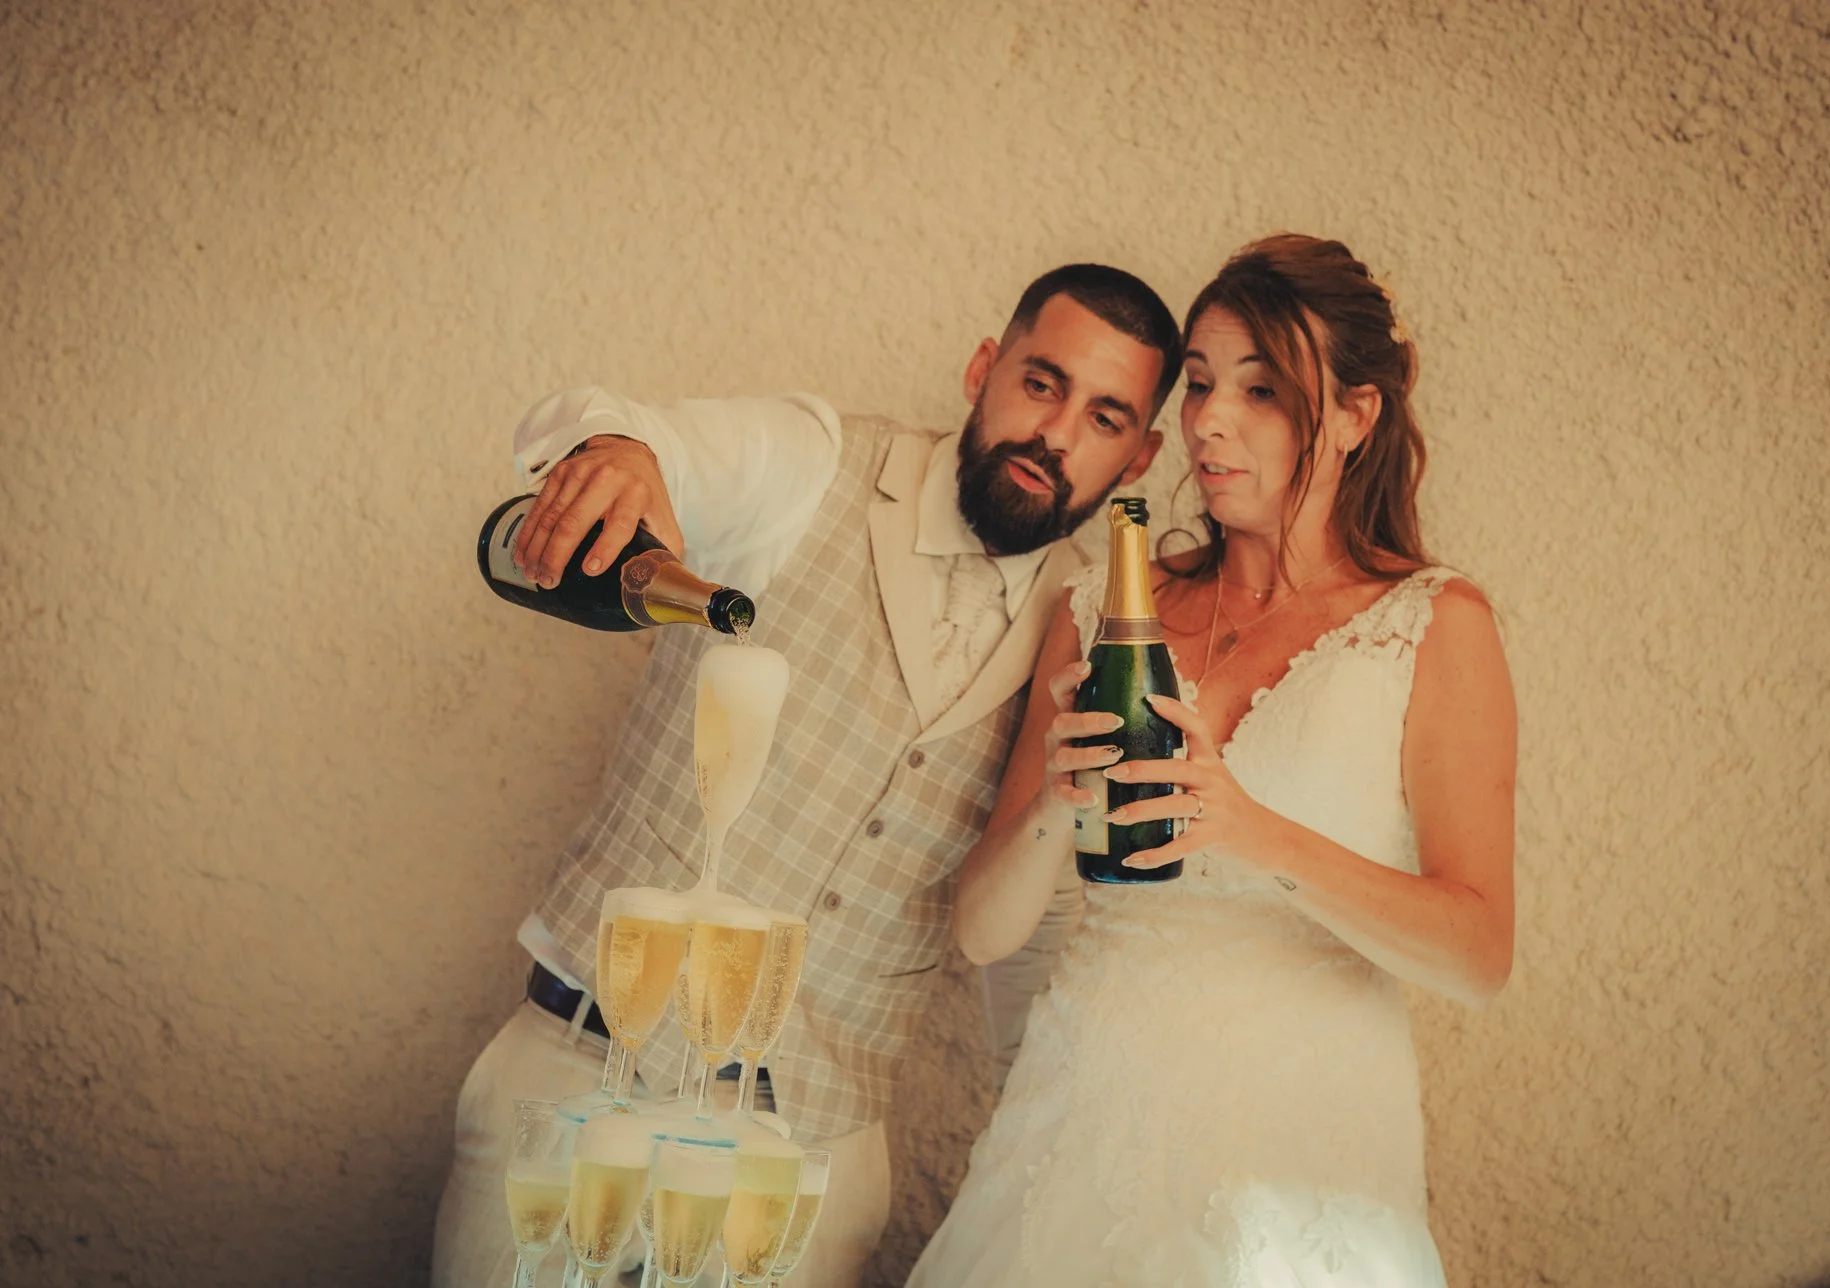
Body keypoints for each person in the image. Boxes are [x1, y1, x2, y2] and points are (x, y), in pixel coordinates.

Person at [431, 264, 1185, 1288]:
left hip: (806, 1171)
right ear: (983, 369)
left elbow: (1024, 923)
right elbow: (655, 440)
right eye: (1040, 383)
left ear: (1140, 456)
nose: (1055, 436)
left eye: (1103, 417)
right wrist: (622, 452)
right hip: (579, 1084)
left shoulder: (1087, 622)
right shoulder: (816, 462)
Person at [908, 233, 1518, 1287]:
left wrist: (1253, 831)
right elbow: (980, 931)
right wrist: (1054, 800)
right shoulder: (1104, 607)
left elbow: (1478, 953)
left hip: (1301, 1146)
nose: (1209, 421)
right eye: (1198, 383)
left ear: (1355, 416)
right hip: (1080, 1122)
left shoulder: (1432, 625)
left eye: (1261, 390)